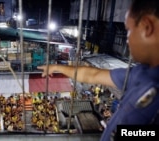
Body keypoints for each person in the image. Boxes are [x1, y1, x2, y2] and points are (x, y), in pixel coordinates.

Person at [37, 0, 159, 140]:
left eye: (129, 30)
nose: (127, 39)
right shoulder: (139, 74)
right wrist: (57, 67)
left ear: (147, 26)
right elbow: (92, 74)